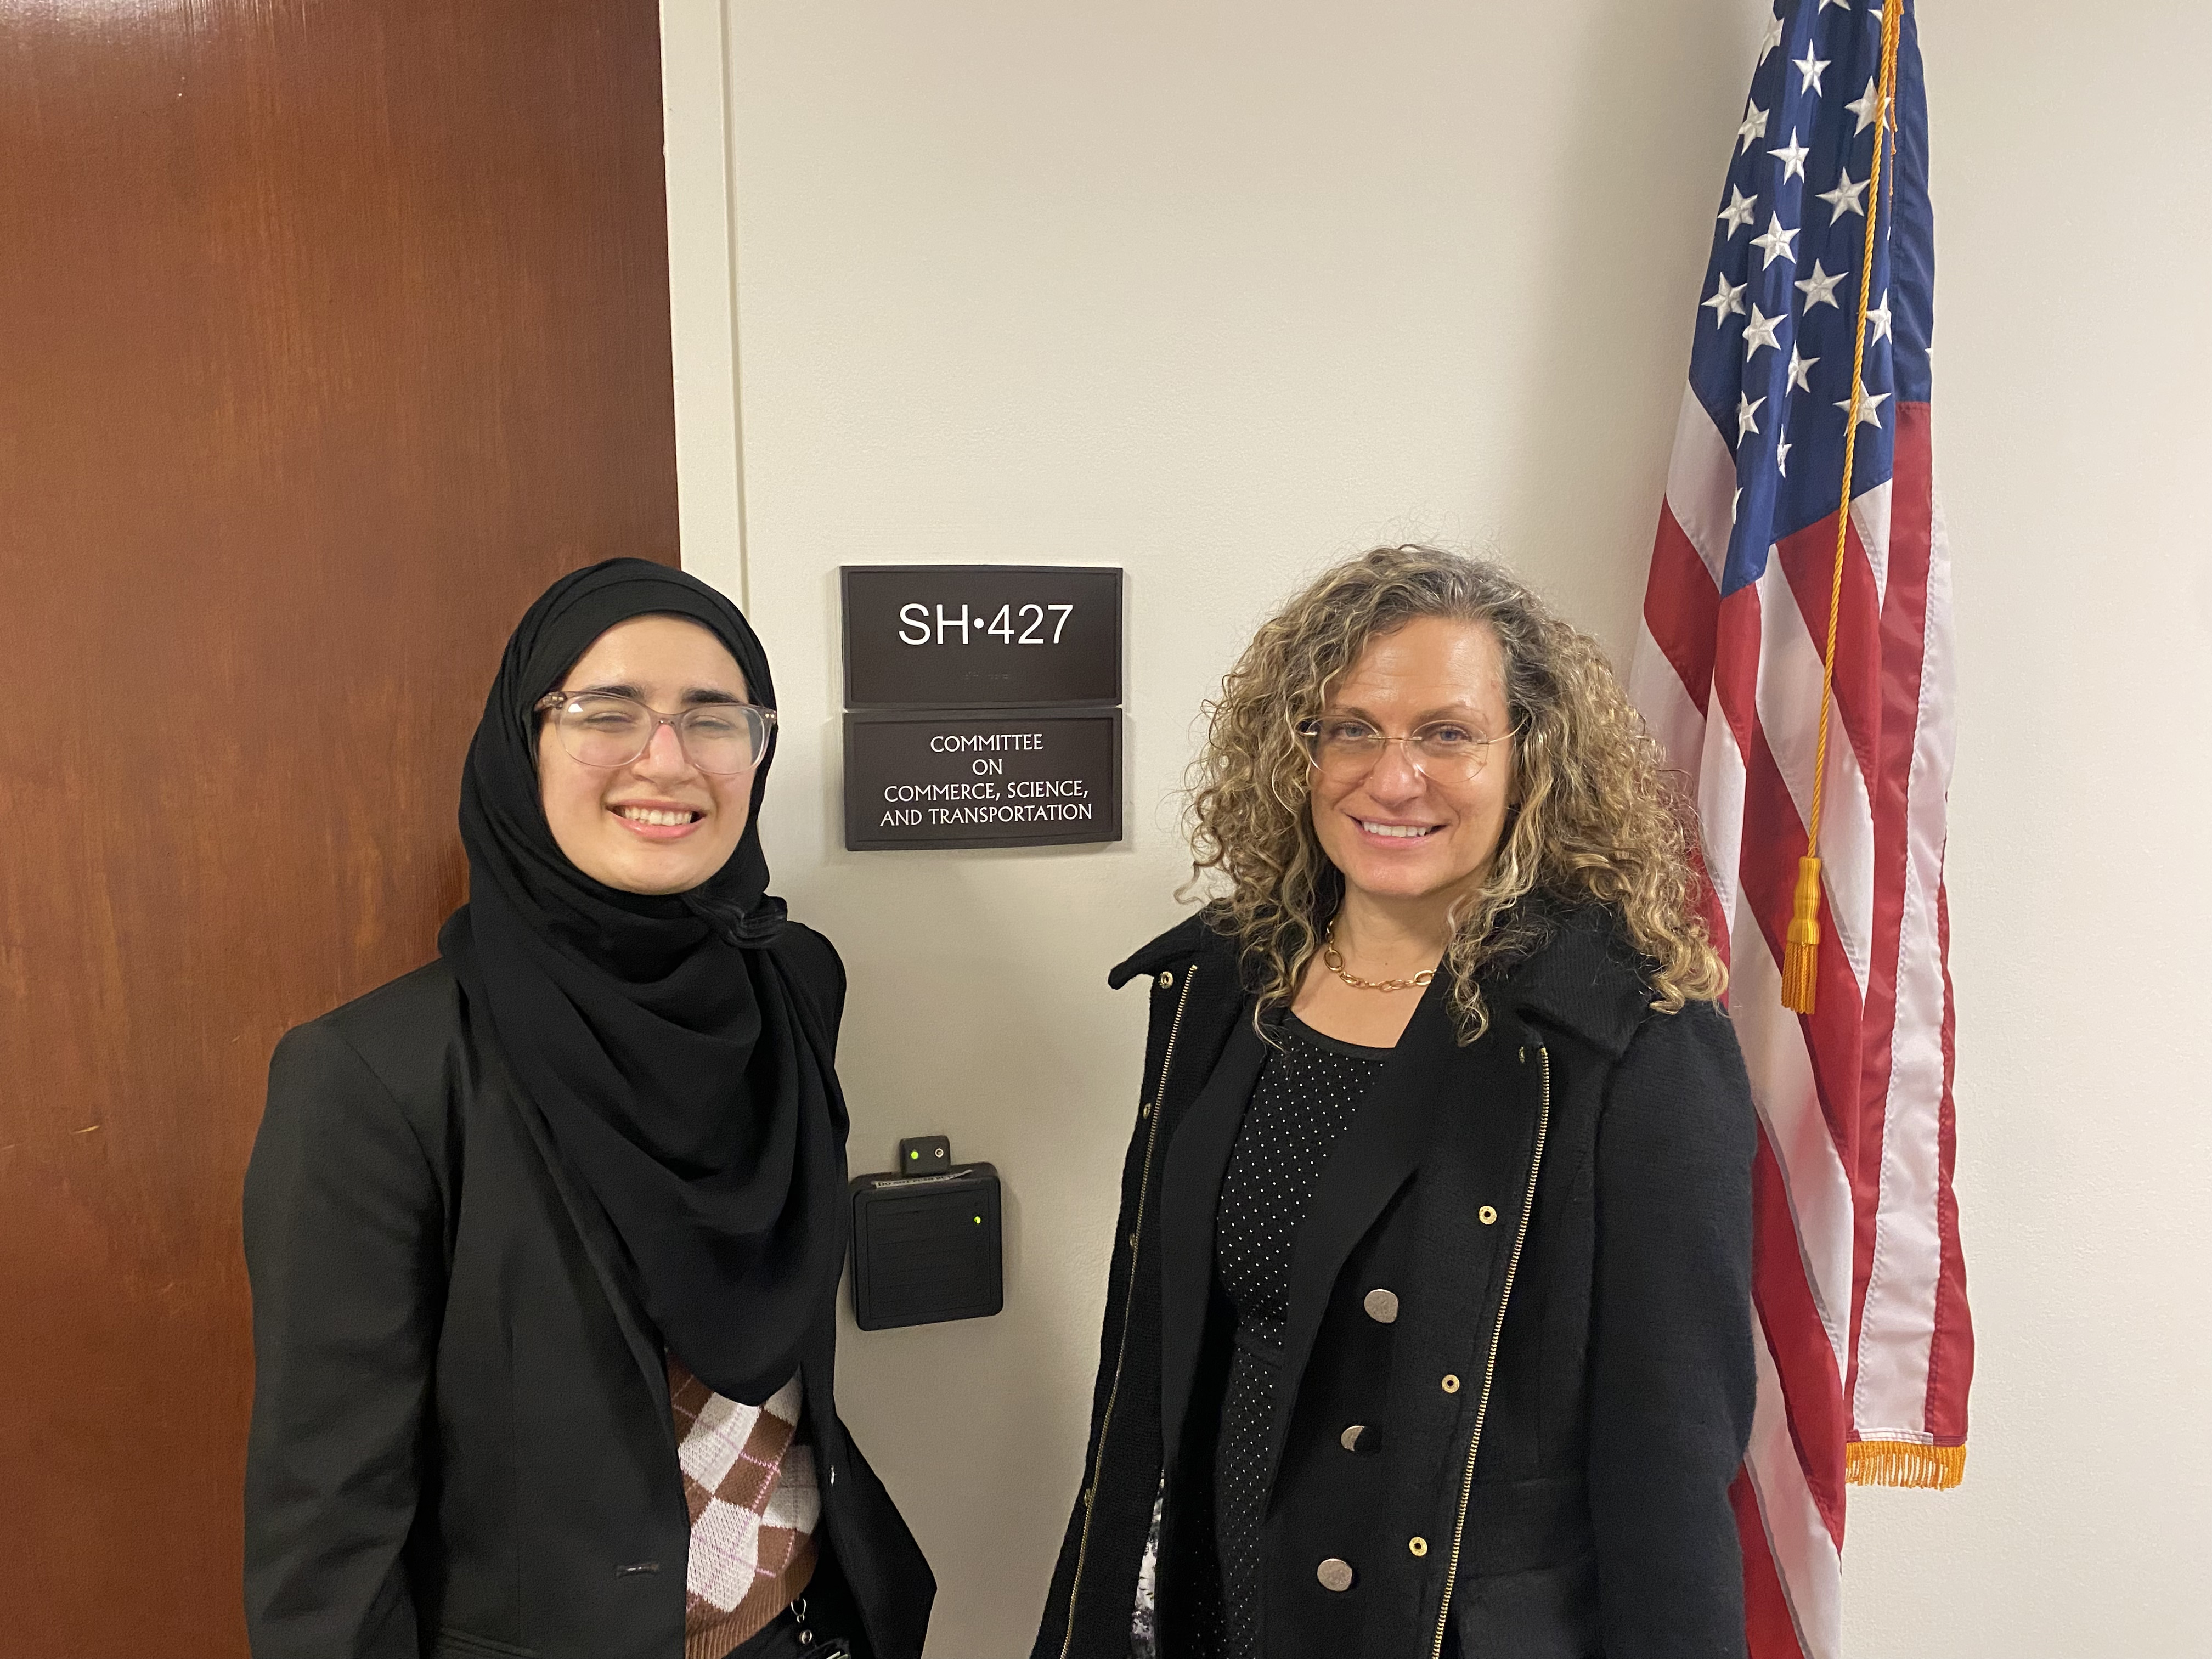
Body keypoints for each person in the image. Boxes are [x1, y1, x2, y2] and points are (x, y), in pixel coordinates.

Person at [1033, 546, 1757, 1659]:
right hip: (1208, 1611)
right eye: (1351, 729)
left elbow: (1670, 1470)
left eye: (1448, 733)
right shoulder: (1225, 986)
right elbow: (1149, 1370)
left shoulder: (1629, 1043)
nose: (1393, 775)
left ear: (1533, 759)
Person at [244, 560, 932, 1659]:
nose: (665, 759)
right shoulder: (377, 1075)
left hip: (814, 1622)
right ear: (525, 747)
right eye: (606, 711)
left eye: (715, 717)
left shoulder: (798, 985)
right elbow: (329, 1512)